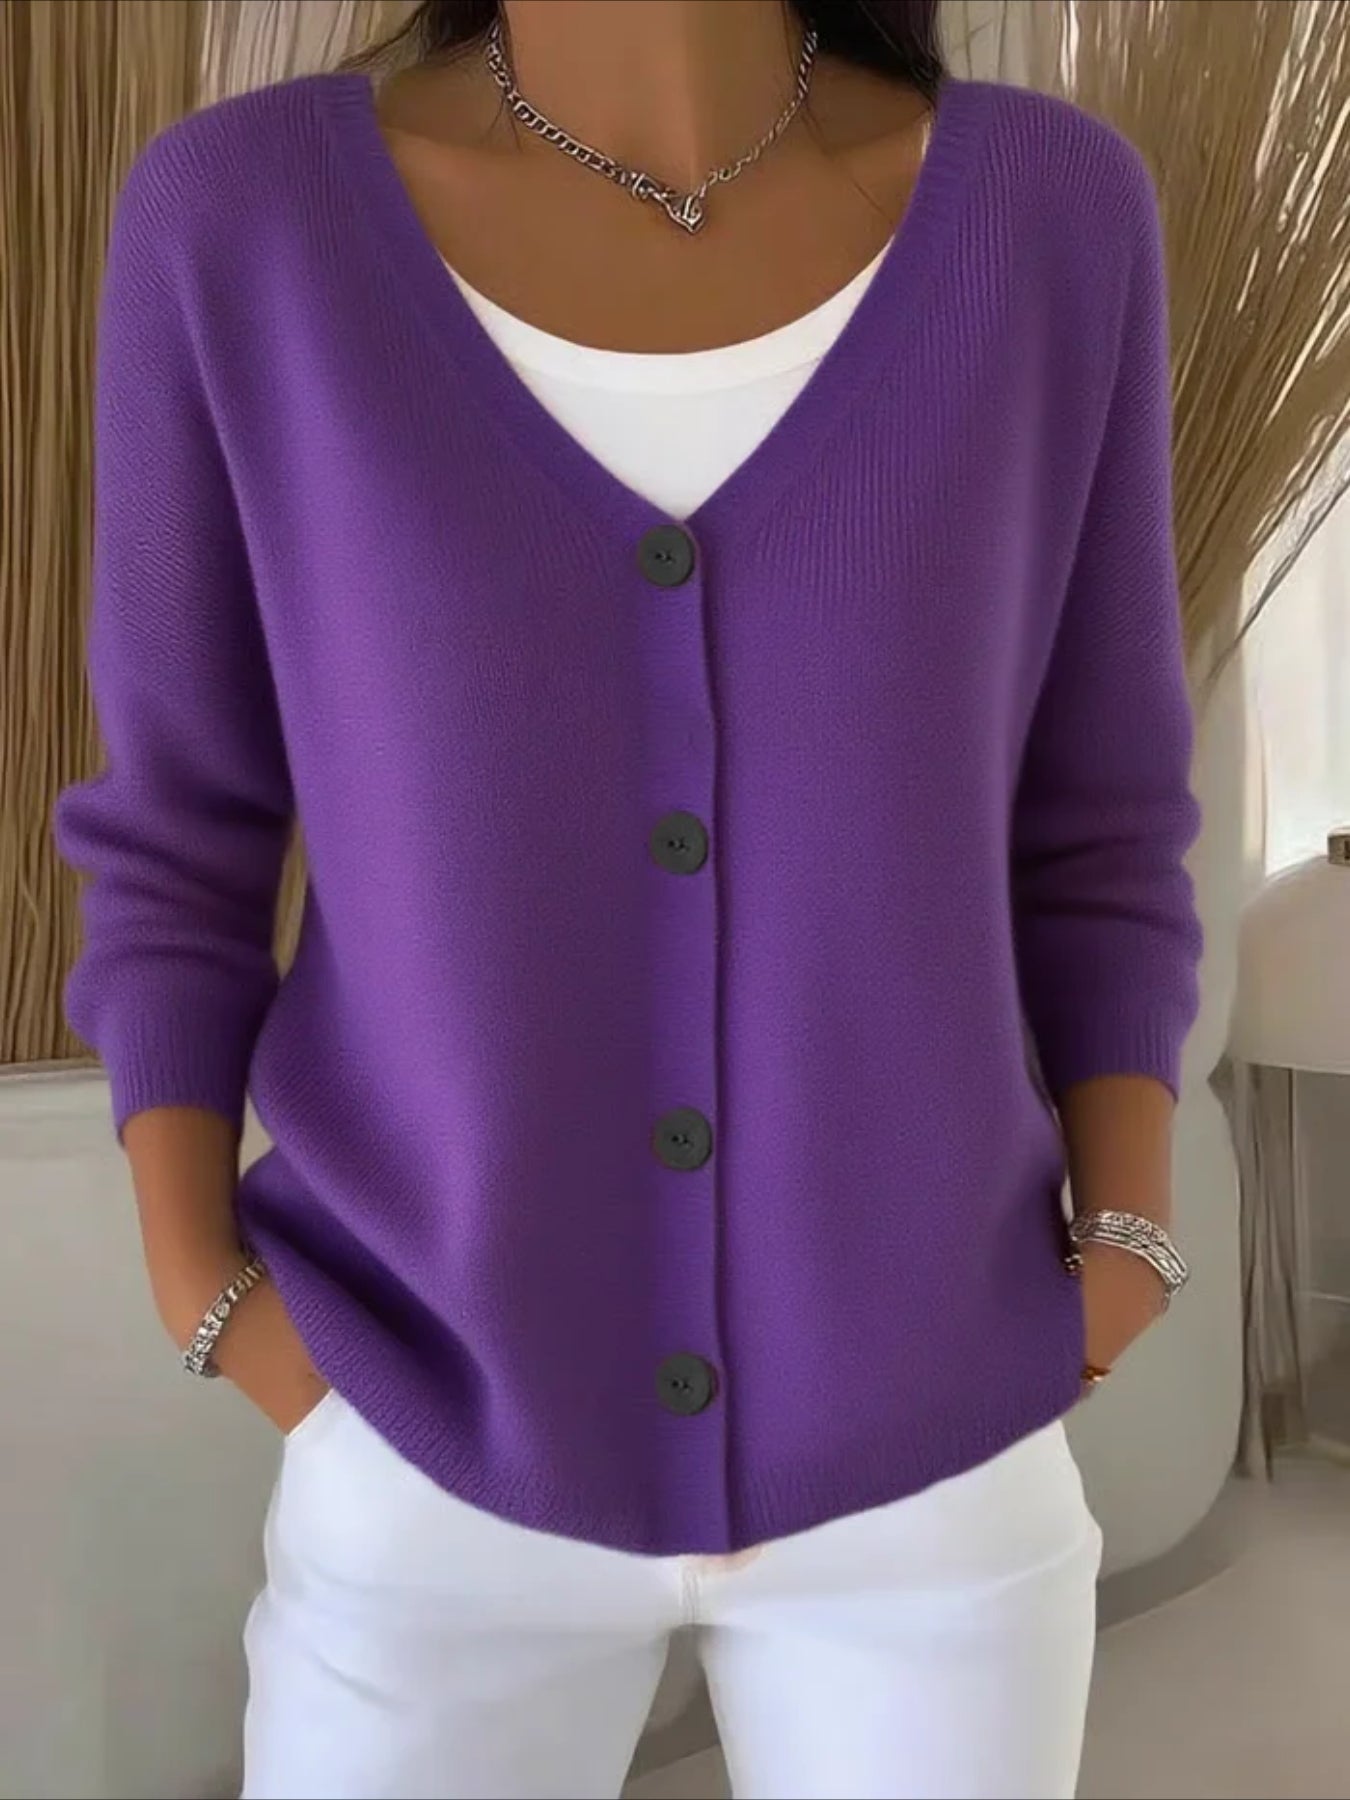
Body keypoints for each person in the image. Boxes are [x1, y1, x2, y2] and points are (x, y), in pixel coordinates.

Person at [54, 1, 1204, 1795]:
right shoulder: (244, 226)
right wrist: (210, 1295)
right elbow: (178, 838)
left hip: (933, 1472)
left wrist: (1121, 1254)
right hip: (423, 1451)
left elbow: (1099, 820)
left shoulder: (1046, 218)